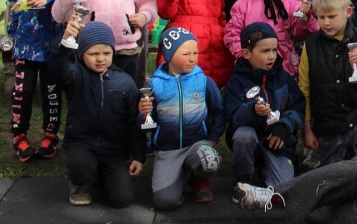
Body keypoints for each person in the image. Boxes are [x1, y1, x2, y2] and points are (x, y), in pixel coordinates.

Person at [50, 21, 146, 207]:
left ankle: (102, 176)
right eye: (93, 54)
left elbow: (133, 123)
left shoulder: (125, 82)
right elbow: (56, 69)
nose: (100, 58)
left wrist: (138, 157)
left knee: (122, 199)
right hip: (81, 143)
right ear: (81, 54)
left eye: (106, 53)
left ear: (113, 53)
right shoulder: (75, 76)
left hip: (113, 149)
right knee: (81, 167)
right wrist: (64, 43)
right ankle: (80, 184)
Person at [297, 0, 357, 166]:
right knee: (336, 174)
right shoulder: (310, 45)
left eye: (331, 16)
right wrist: (307, 129)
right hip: (328, 123)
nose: (326, 22)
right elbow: (304, 89)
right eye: (321, 17)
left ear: (348, 12)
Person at [8, 0, 72, 162]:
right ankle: (19, 136)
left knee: (51, 90)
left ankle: (50, 134)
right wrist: (11, 29)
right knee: (22, 90)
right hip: (24, 42)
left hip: (51, 41)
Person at [139, 28, 225, 209]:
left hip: (196, 143)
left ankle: (198, 180)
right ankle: (175, 175)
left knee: (210, 160)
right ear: (168, 56)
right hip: (167, 149)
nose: (193, 58)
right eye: (186, 54)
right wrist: (143, 115)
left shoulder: (203, 81)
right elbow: (145, 124)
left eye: (195, 53)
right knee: (165, 202)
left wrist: (213, 139)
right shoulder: (155, 85)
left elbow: (219, 111)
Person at [225, 23, 304, 198]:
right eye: (265, 51)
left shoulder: (284, 79)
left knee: (283, 190)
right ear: (246, 53)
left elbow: (298, 108)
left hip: (277, 144)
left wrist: (284, 127)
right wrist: (251, 110)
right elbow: (232, 119)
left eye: (274, 50)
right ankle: (245, 177)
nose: (271, 56)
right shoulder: (237, 82)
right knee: (243, 136)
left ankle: (266, 167)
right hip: (250, 138)